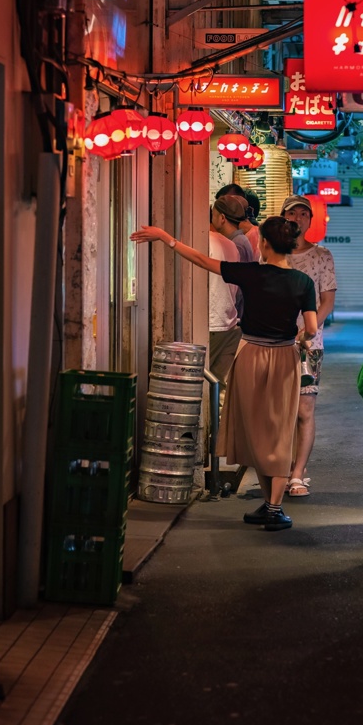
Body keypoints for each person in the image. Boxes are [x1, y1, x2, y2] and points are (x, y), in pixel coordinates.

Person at [131, 216, 317, 532]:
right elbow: (311, 328)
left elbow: (202, 260)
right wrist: (301, 338)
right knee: (280, 428)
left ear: (265, 244)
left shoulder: (249, 273)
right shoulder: (303, 282)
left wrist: (166, 236)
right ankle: (273, 507)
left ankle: (272, 507)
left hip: (250, 356)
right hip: (285, 357)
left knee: (251, 427)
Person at [280, 195, 337, 497]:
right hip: (275, 341)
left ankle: (298, 473)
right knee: (278, 410)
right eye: (293, 213)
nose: (299, 218)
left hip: (309, 344)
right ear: (283, 217)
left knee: (304, 409)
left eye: (305, 214)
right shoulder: (273, 253)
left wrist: (309, 327)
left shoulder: (322, 255)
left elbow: (327, 300)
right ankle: (280, 467)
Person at [208, 223, 241, 408]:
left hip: (210, 321)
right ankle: (221, 434)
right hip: (229, 320)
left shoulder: (200, 242)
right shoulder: (230, 244)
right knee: (221, 385)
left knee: (198, 381)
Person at [211, 195, 255, 264]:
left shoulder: (236, 243)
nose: (212, 220)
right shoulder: (239, 239)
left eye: (213, 215)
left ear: (222, 218)